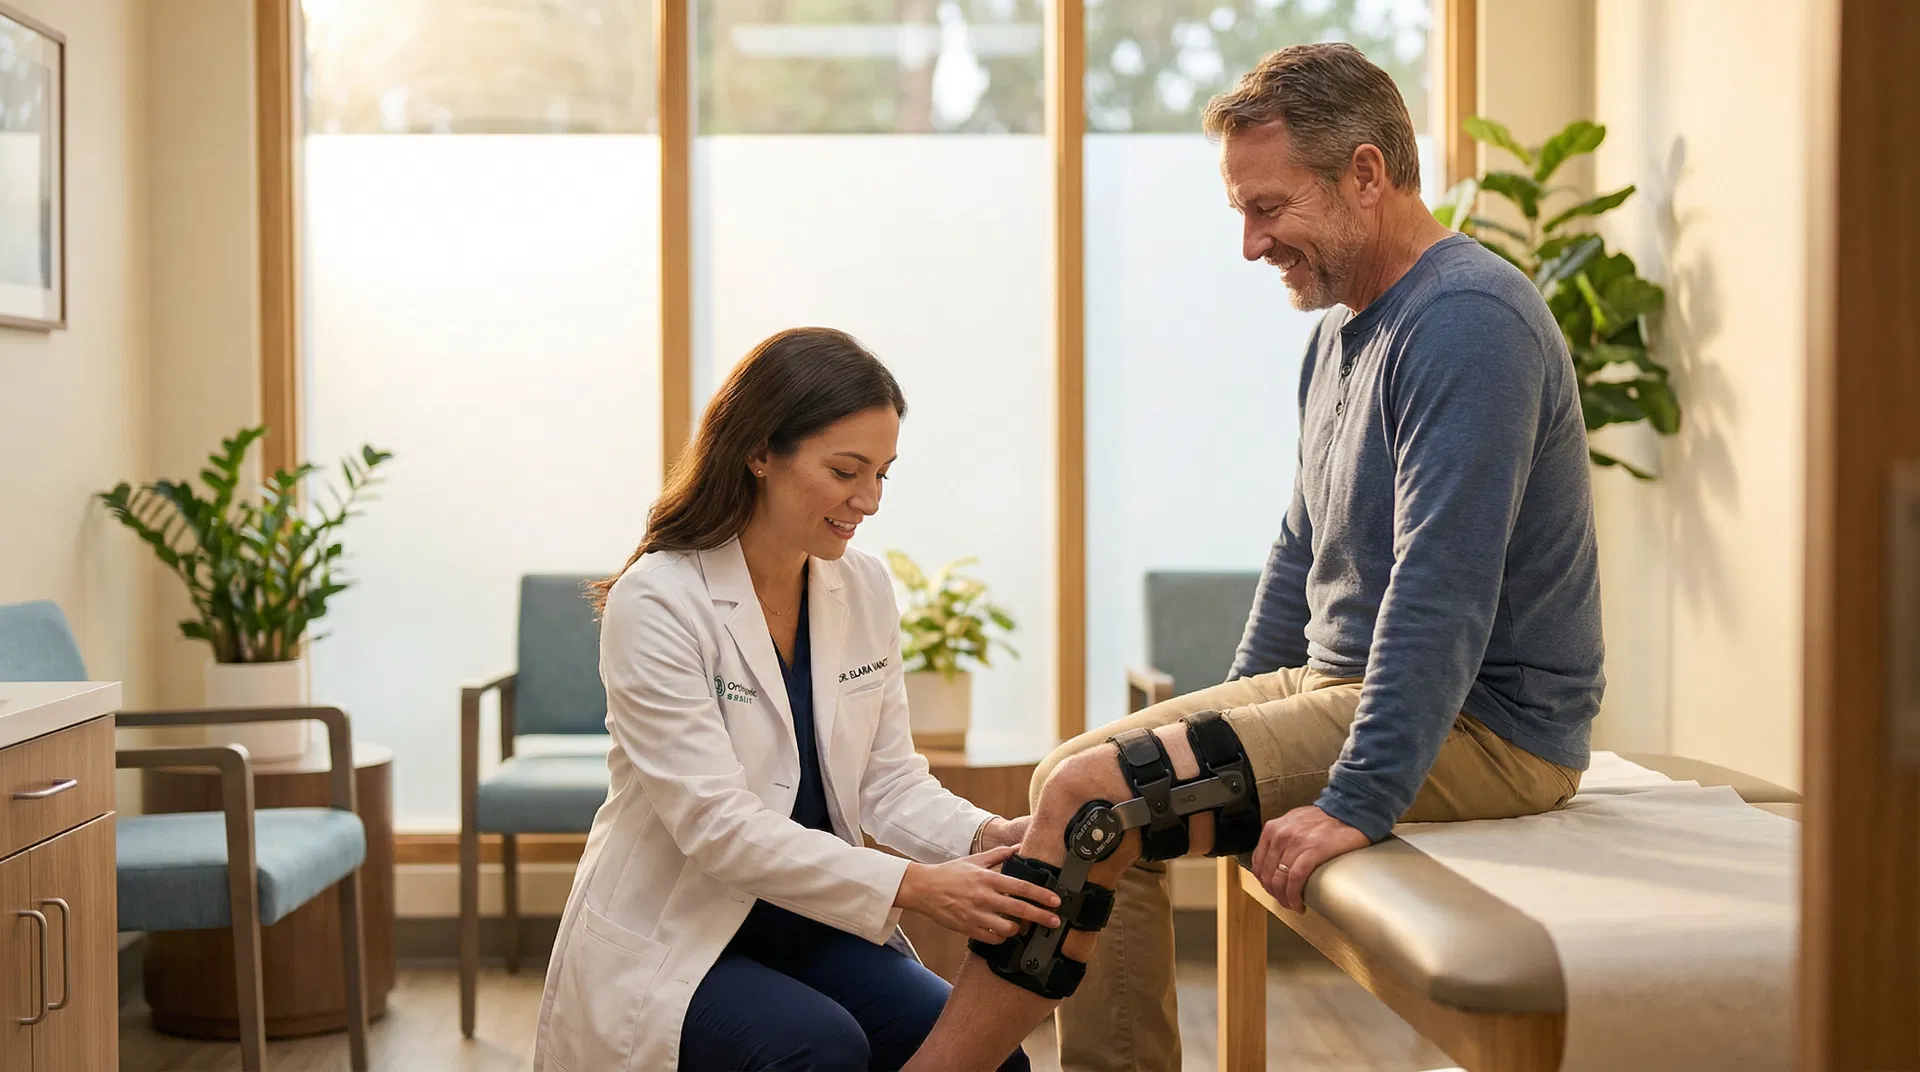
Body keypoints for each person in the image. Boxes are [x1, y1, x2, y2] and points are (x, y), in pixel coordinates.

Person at [901, 42, 1604, 1072]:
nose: (1249, 243)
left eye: (1267, 208)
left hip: (1488, 726)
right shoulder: (1342, 331)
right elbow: (1297, 553)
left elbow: (1440, 592)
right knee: (1074, 777)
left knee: (1101, 797)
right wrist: (1229, 724)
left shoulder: (1467, 322)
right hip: (1343, 682)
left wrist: (1354, 798)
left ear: (1366, 173)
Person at [531, 327, 1046, 1072]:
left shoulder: (860, 585)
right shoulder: (660, 601)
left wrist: (987, 836)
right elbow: (716, 825)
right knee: (818, 1050)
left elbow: (887, 779)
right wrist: (916, 885)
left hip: (809, 919)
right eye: (845, 471)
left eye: (883, 475)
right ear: (759, 452)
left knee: (991, 1055)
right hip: (681, 933)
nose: (868, 500)